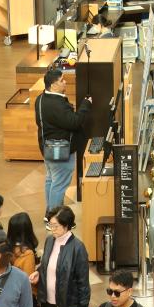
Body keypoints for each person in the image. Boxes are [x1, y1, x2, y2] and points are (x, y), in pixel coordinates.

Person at [33, 205, 91, 307]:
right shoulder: (50, 240)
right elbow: (46, 265)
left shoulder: (77, 247)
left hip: (68, 302)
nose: (52, 229)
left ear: (67, 225)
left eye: (55, 226)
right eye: (50, 225)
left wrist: (83, 306)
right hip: (51, 302)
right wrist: (38, 272)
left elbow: (82, 280)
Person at [35, 67, 92, 214]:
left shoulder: (40, 99)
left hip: (47, 146)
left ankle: (51, 212)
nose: (65, 82)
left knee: (51, 180)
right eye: (62, 80)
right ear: (53, 85)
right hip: (60, 149)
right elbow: (74, 122)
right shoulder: (56, 105)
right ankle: (54, 218)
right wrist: (85, 105)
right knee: (59, 184)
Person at [7, 212, 41, 307]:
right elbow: (28, 280)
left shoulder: (7, 250)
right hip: (28, 300)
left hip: (10, 299)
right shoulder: (27, 253)